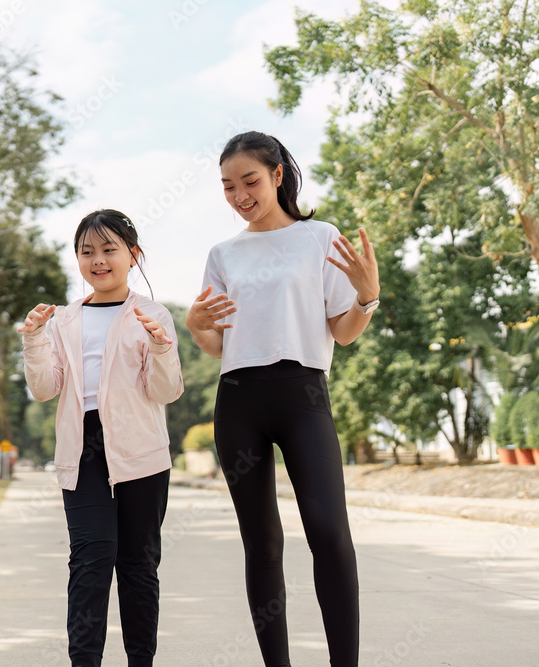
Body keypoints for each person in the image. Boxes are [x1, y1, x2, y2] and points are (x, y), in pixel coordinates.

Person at [186, 131, 380, 667]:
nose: (240, 195)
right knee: (263, 545)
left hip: (303, 396)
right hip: (239, 401)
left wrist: (367, 296)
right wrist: (195, 326)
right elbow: (217, 345)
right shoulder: (223, 254)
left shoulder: (320, 238)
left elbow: (343, 332)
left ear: (277, 175)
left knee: (329, 534)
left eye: (249, 181)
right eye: (228, 186)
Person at [18, 209, 183, 667]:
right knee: (90, 561)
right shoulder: (64, 319)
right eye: (87, 251)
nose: (98, 260)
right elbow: (45, 388)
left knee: (138, 565)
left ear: (133, 255)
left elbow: (166, 391)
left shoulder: (153, 314)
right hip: (83, 449)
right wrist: (34, 340)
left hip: (141, 451)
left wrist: (161, 347)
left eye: (109, 250)